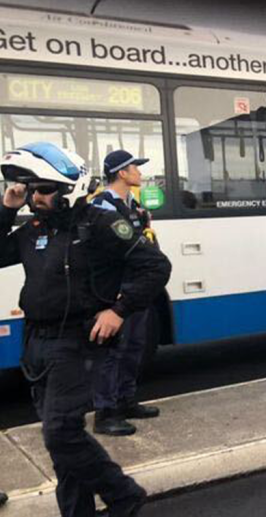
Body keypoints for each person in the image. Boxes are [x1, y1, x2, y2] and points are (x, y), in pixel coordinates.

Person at [0, 142, 171, 517]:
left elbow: (156, 267)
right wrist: (6, 208)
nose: (34, 198)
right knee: (64, 444)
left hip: (78, 342)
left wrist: (119, 310)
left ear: (66, 189)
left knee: (60, 432)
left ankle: (123, 495)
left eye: (42, 190)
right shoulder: (33, 228)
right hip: (36, 343)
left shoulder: (101, 223)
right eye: (31, 190)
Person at [90, 150, 160, 437]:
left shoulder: (131, 204)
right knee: (113, 352)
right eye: (135, 168)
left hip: (137, 287)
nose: (140, 173)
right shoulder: (102, 206)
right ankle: (105, 413)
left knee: (134, 346)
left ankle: (126, 400)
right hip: (116, 290)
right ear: (122, 173)